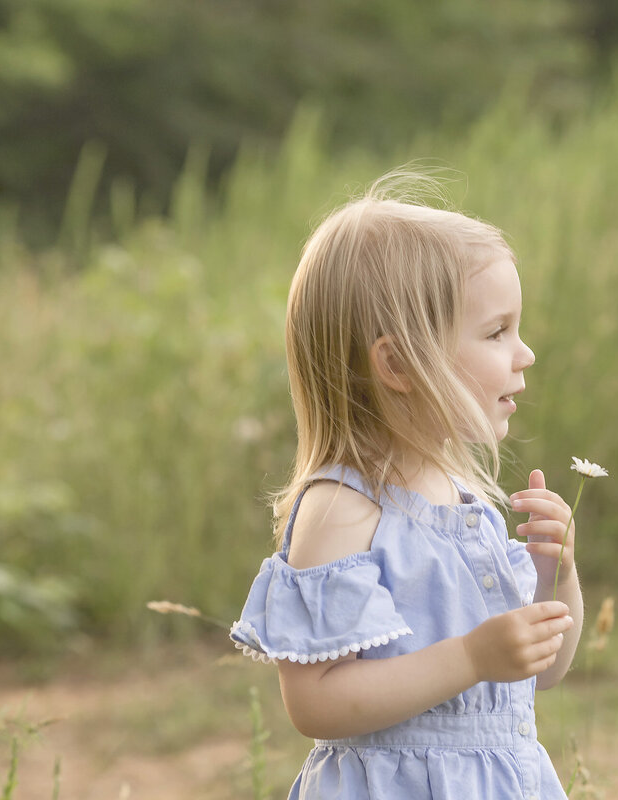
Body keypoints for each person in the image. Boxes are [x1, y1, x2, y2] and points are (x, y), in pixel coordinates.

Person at [230, 172, 585, 800]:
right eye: (497, 331)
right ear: (397, 364)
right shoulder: (343, 510)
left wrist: (556, 573)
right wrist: (471, 658)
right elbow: (315, 701)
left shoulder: (467, 501)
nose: (524, 352)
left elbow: (545, 671)